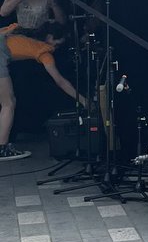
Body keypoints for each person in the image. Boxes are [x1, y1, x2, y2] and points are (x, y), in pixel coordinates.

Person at [0, 22, 85, 160]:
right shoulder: (44, 50)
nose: (55, 48)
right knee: (8, 103)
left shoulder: (17, 30)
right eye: (56, 44)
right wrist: (83, 100)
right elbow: (60, 81)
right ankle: (2, 149)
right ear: (50, 36)